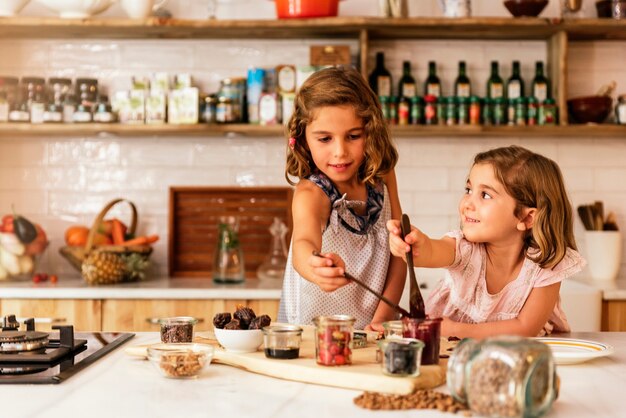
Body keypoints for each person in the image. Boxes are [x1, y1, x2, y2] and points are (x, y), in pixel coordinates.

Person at [388, 145, 585, 338]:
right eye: (468, 189)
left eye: (485, 195)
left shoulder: (546, 265)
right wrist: (415, 244)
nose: (467, 204)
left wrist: (454, 330)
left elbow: (525, 328)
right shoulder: (465, 249)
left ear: (526, 218)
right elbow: (431, 251)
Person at [277, 66, 406, 331]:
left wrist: (382, 319)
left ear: (371, 131)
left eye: (353, 136)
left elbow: (400, 253)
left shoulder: (382, 175)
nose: (340, 152)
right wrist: (315, 269)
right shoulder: (311, 193)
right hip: (312, 334)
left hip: (373, 329)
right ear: (301, 139)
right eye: (324, 139)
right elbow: (303, 243)